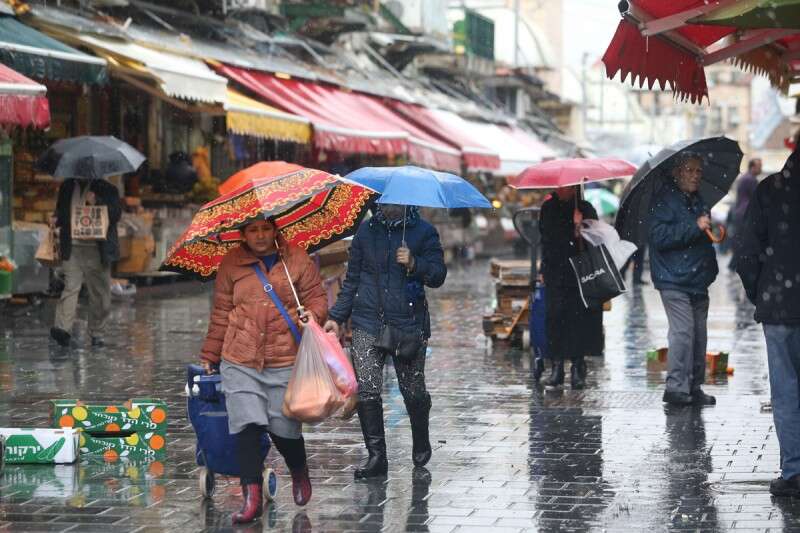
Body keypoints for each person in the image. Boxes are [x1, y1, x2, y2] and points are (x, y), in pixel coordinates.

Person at [199, 217, 328, 524]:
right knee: (248, 425)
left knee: (284, 430)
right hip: (240, 358)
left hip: (284, 360)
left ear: (275, 230)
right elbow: (220, 313)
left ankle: (299, 469)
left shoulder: (296, 257)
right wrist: (210, 353)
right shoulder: (231, 263)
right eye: (252, 230)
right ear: (242, 234)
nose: (260, 235)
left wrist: (311, 314)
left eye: (265, 229)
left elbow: (317, 298)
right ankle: (251, 499)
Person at [323, 204, 446, 478]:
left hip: (408, 323)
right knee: (367, 389)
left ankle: (421, 436)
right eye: (384, 202)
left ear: (407, 203)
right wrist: (337, 316)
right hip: (368, 321)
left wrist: (415, 263)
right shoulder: (366, 232)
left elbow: (438, 275)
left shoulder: (424, 232)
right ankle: (377, 457)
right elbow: (352, 279)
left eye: (395, 203)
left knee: (412, 391)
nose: (389, 207)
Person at [735, 146, 800, 497]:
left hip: (779, 307)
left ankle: (794, 472)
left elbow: (746, 254)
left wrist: (761, 292)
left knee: (787, 391)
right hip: (780, 301)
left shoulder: (769, 190)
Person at [649, 153, 718, 407]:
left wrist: (709, 229)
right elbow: (659, 237)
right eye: (689, 170)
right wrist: (695, 227)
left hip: (698, 278)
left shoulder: (699, 200)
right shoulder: (664, 201)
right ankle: (675, 387)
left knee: (699, 336)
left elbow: (701, 232)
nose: (695, 175)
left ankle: (693, 386)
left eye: (698, 171)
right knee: (683, 333)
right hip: (673, 278)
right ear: (677, 173)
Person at [538, 186, 603, 389]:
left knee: (578, 319)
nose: (563, 190)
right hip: (556, 273)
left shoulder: (586, 208)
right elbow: (547, 239)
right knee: (556, 317)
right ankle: (557, 367)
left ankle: (577, 367)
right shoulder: (548, 208)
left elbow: (596, 240)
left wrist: (580, 228)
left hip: (580, 274)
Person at [50, 177, 122, 348]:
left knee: (99, 293)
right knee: (70, 287)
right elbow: (61, 211)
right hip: (72, 246)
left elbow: (115, 214)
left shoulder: (107, 188)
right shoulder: (67, 186)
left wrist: (97, 201)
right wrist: (56, 219)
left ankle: (97, 332)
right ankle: (62, 329)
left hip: (97, 248)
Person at [728, 158, 761, 270]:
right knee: (745, 241)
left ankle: (734, 265)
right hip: (745, 214)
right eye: (758, 166)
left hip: (739, 213)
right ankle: (735, 265)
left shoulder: (745, 178)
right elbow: (758, 197)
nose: (760, 168)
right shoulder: (751, 179)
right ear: (752, 167)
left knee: (740, 240)